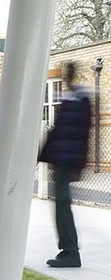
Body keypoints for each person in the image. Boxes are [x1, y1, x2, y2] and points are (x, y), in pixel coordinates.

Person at [39, 61, 92, 268]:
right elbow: (58, 131)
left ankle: (71, 252)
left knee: (62, 203)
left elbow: (84, 132)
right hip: (62, 160)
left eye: (67, 74)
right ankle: (68, 250)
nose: (65, 78)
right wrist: (45, 155)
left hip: (68, 160)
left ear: (73, 75)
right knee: (61, 203)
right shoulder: (70, 99)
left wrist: (80, 165)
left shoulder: (80, 99)